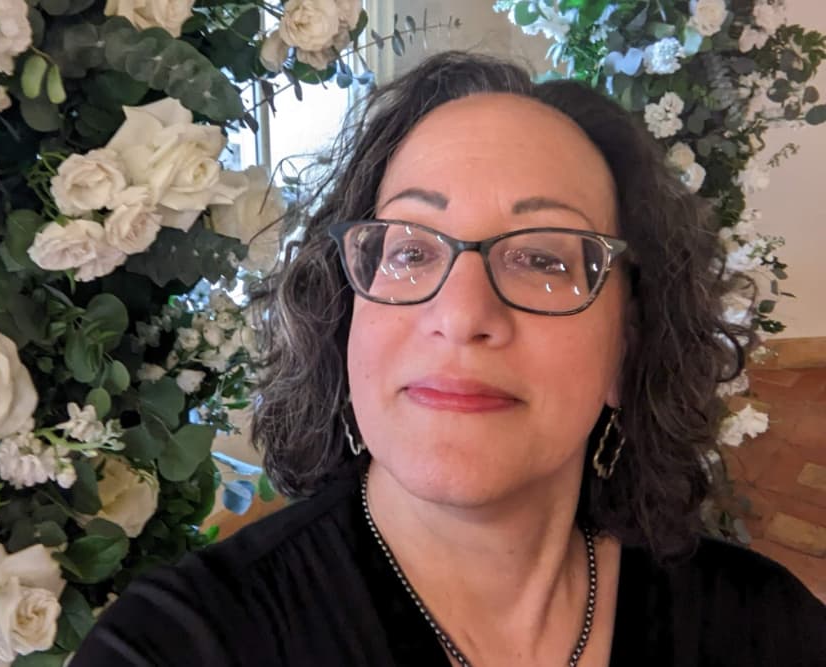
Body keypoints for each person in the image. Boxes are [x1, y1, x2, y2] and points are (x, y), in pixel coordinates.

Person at [72, 52, 826, 667]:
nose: (462, 315)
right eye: (408, 250)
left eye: (541, 258)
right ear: (345, 318)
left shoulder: (768, 631)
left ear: (629, 345)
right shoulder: (175, 647)